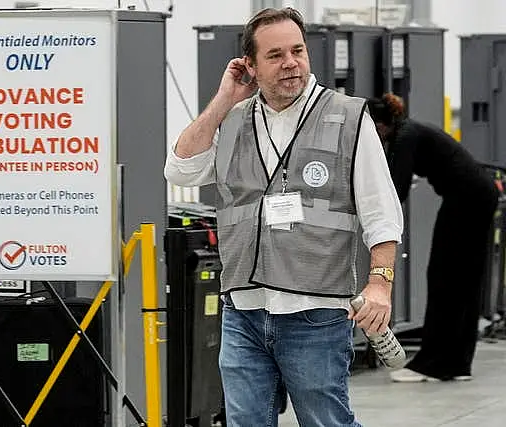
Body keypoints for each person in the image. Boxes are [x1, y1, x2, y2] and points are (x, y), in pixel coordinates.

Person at [164, 7, 403, 427]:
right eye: (275, 55)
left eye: (297, 50)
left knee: (327, 422)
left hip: (315, 312)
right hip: (243, 308)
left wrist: (379, 284)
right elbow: (180, 169)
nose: (291, 63)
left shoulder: (348, 117)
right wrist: (223, 100)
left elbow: (381, 212)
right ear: (250, 67)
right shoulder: (234, 119)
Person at [367, 93, 499, 382]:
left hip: (465, 200)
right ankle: (457, 363)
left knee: (444, 278)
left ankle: (433, 364)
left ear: (379, 125)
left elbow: (395, 190)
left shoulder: (405, 137)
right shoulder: (410, 130)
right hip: (477, 195)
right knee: (465, 282)